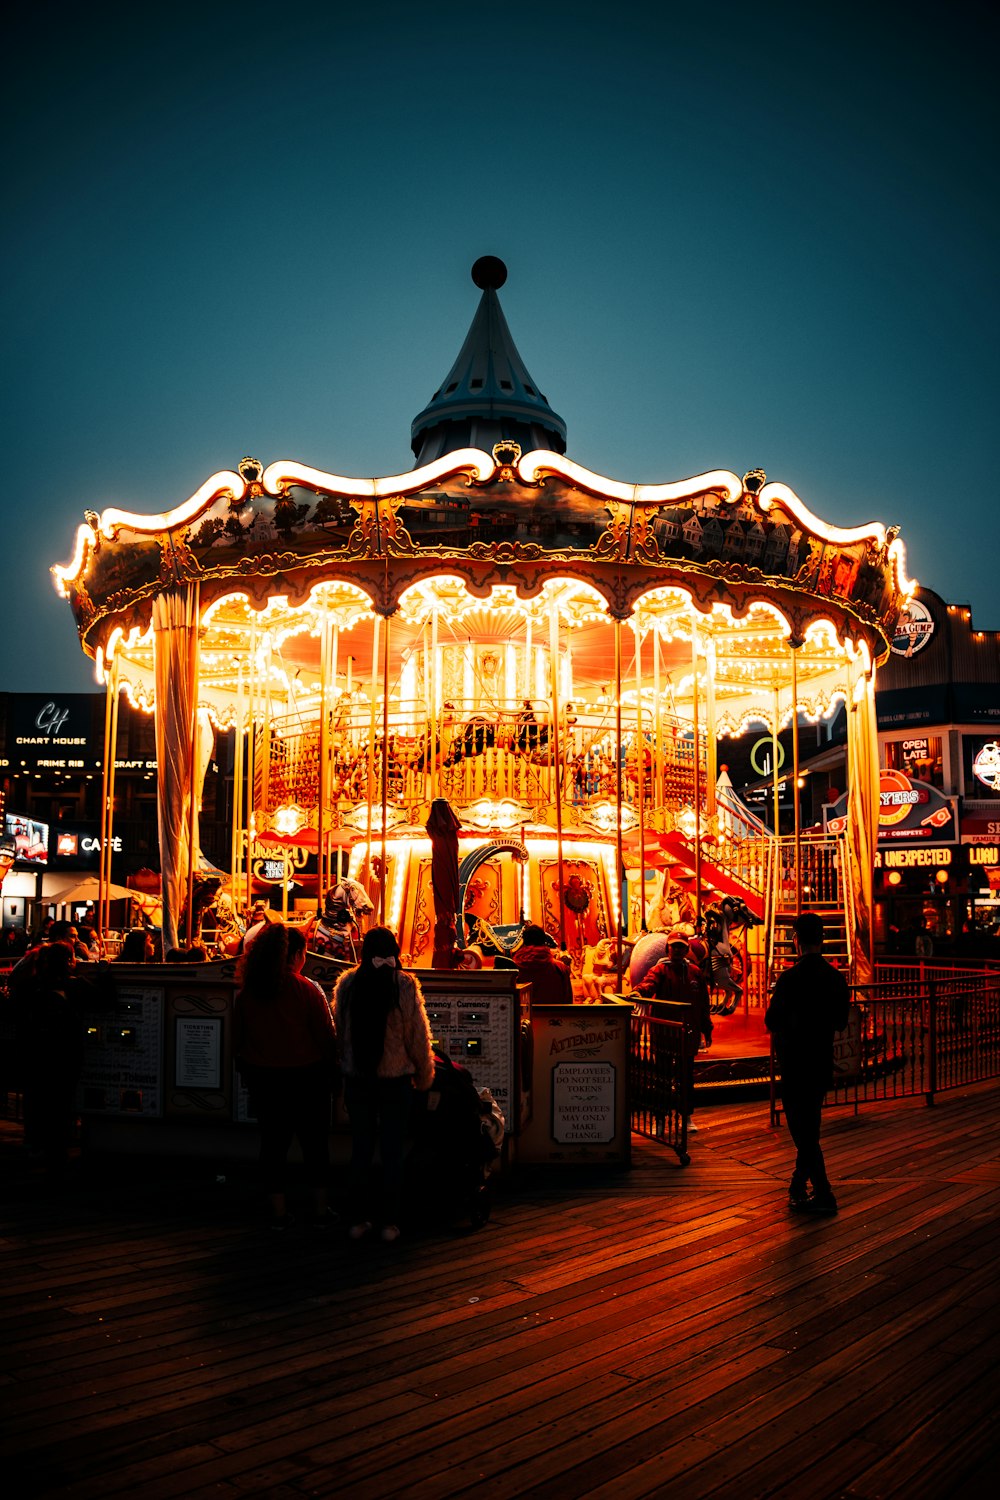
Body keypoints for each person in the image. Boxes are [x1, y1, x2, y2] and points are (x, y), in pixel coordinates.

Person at [233, 922, 338, 1230]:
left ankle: (278, 1212)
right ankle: (320, 1209)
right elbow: (326, 1039)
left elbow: (238, 1041)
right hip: (307, 1080)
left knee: (273, 1146)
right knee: (315, 1146)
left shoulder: (249, 994)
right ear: (295, 955)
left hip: (265, 1080)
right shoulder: (305, 989)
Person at [333, 926, 434, 1244]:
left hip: (359, 1079)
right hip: (395, 1081)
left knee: (361, 1150)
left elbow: (340, 1032)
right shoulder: (403, 985)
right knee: (392, 1152)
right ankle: (389, 1222)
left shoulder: (348, 984)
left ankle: (358, 1219)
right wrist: (425, 1074)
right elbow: (417, 1036)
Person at [765, 910, 850, 1215]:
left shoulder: (789, 979)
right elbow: (841, 1021)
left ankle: (824, 1192)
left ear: (795, 940)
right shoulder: (835, 978)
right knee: (809, 1127)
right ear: (823, 939)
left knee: (803, 1132)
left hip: (794, 1060)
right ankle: (798, 1185)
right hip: (820, 1059)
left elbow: (771, 1019)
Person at [631, 928, 712, 1133]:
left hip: (687, 1032)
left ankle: (686, 1116)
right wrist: (638, 991)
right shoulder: (660, 970)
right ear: (667, 948)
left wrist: (707, 1029)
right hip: (665, 1032)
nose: (677, 950)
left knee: (686, 1077)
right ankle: (660, 1118)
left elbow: (703, 1003)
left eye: (681, 947)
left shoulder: (695, 973)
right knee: (662, 1077)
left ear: (686, 950)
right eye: (673, 946)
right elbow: (649, 983)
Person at [513, 924, 573, 1004]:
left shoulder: (512, 968)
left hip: (522, 1015)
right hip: (552, 1015)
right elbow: (568, 1000)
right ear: (544, 940)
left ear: (524, 941)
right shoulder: (560, 968)